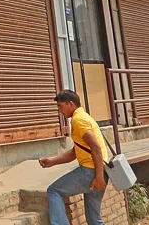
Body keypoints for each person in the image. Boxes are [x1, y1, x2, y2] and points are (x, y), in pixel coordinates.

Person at [39, 90, 109, 225]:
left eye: (60, 106)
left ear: (70, 104)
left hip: (90, 172)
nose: (60, 110)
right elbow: (76, 152)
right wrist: (52, 161)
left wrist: (98, 176)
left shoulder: (78, 120)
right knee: (94, 219)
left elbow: (95, 148)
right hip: (100, 171)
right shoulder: (85, 116)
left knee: (54, 191)